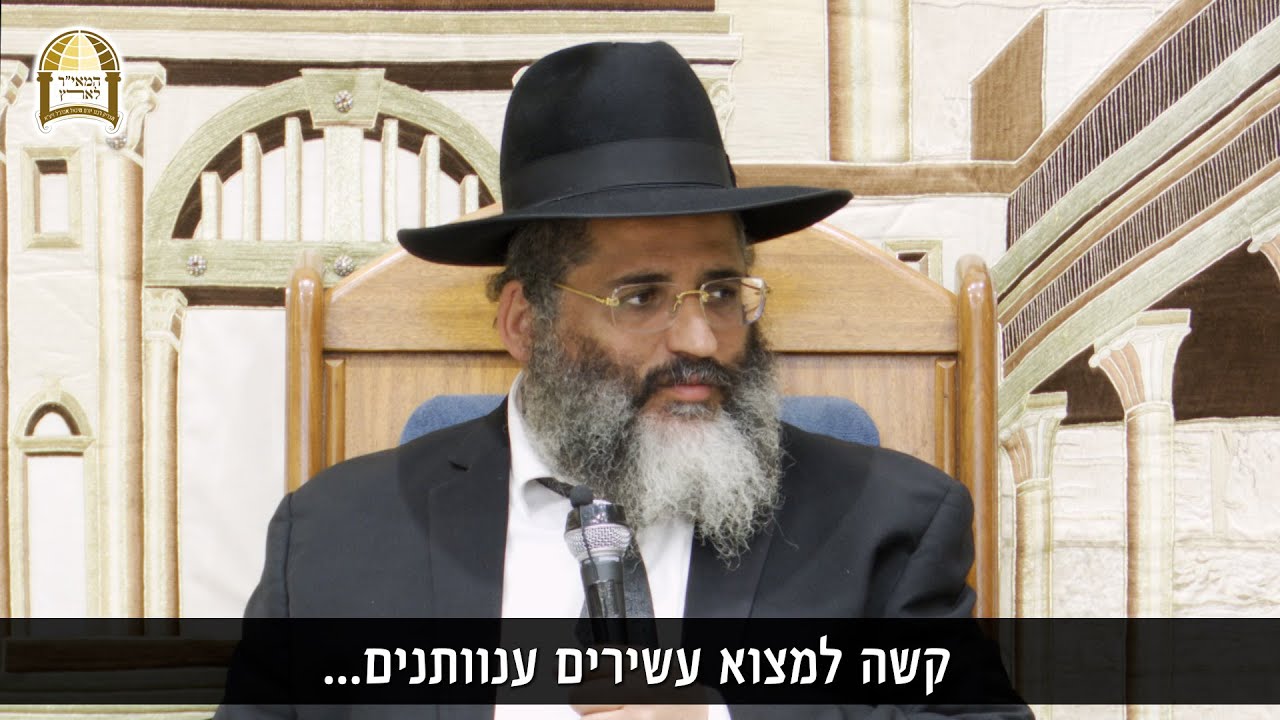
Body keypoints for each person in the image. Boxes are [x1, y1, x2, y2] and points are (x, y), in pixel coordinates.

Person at [218, 41, 1031, 720]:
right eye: (640, 297)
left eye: (721, 290)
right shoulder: (331, 538)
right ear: (525, 323)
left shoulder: (889, 523)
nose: (700, 338)